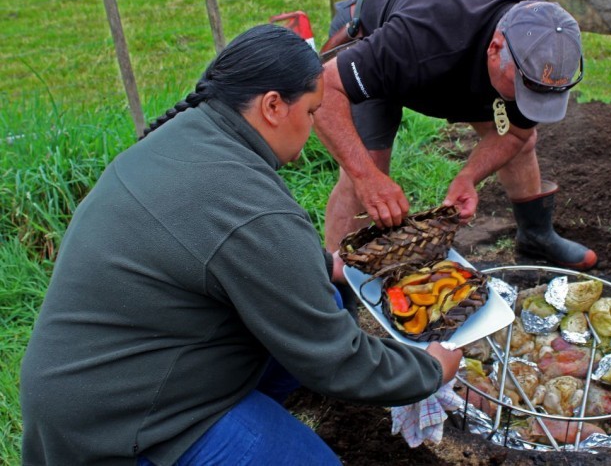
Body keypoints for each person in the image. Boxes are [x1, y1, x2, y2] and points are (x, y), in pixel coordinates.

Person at [20, 24, 462, 465]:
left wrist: (327, 265)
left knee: (325, 292)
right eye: (310, 112)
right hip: (124, 425)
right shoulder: (250, 206)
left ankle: (255, 411)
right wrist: (430, 370)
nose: (312, 128)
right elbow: (337, 360)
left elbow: (223, 252)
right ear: (272, 105)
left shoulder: (189, 133)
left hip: (90, 381)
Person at [316, 0, 597, 271]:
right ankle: (334, 284)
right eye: (523, 88)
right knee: (368, 164)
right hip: (375, 33)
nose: (528, 101)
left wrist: (468, 177)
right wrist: (365, 177)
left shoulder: (540, 38)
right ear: (495, 49)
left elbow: (515, 133)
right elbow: (325, 87)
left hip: (454, 58)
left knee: (521, 138)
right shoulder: (421, 37)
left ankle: (536, 235)